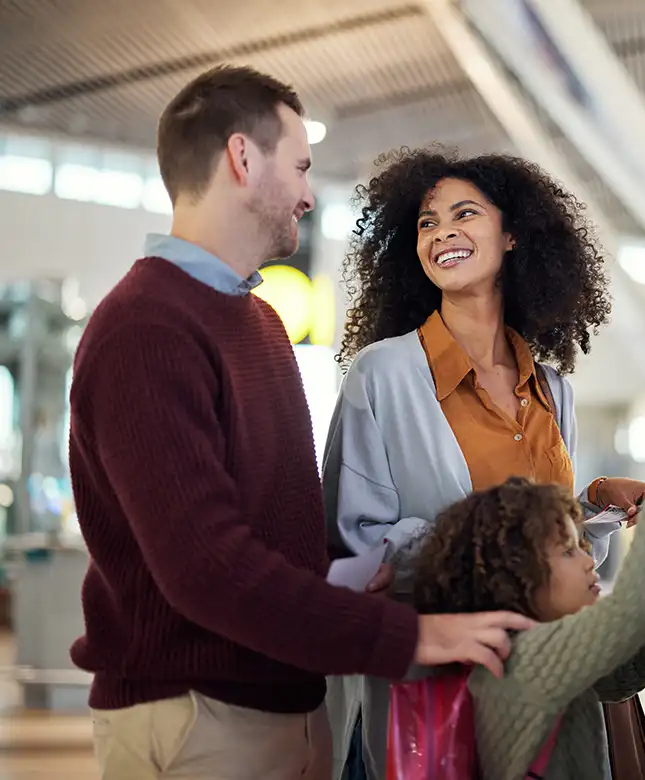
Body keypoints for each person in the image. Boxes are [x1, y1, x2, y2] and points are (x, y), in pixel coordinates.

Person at [67, 66, 533, 780]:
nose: (310, 195)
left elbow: (261, 536)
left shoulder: (258, 324)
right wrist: (408, 635)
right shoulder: (145, 328)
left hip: (285, 705)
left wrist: (341, 578)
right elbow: (207, 569)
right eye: (301, 166)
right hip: (199, 716)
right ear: (242, 159)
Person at [323, 148, 645, 778]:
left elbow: (552, 546)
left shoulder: (551, 388)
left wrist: (593, 509)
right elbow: (355, 548)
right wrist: (490, 544)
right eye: (427, 223)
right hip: (439, 699)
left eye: (464, 215)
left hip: (546, 686)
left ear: (512, 236)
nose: (443, 232)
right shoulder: (383, 376)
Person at [412, 465, 645, 780]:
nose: (588, 561)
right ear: (516, 577)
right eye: (568, 551)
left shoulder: (547, 647)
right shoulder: (516, 658)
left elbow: (631, 661)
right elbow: (629, 615)